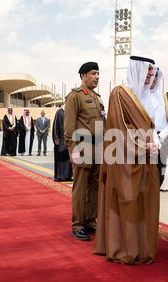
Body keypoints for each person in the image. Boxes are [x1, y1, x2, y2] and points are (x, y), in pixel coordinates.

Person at [93, 55, 160, 264]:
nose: (151, 75)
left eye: (153, 71)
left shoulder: (147, 96)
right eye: (148, 70)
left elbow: (152, 125)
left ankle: (142, 245)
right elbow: (118, 128)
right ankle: (124, 247)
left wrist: (156, 141)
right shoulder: (120, 93)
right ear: (138, 70)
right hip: (124, 159)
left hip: (147, 158)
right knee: (126, 200)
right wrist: (143, 147)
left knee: (143, 201)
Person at [64, 62, 104, 241]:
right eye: (93, 74)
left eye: (98, 74)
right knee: (80, 188)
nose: (97, 77)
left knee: (94, 186)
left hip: (98, 149)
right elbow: (69, 128)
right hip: (82, 147)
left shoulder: (97, 97)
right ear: (83, 76)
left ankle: (90, 219)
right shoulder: (75, 96)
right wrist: (73, 151)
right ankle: (78, 224)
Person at [149, 68, 168, 185]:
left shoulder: (164, 98)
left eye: (155, 76)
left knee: (159, 177)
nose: (153, 79)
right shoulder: (139, 97)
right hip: (147, 141)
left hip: (162, 141)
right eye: (151, 76)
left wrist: (162, 137)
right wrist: (155, 138)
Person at [52, 105, 72, 181]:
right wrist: (56, 137)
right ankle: (59, 176)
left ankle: (68, 176)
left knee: (68, 160)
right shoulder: (59, 112)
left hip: (69, 141)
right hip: (61, 141)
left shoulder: (70, 112)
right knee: (60, 159)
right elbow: (55, 126)